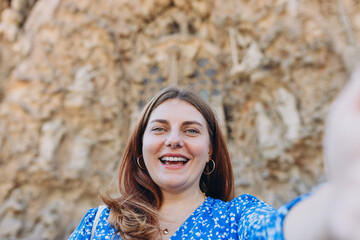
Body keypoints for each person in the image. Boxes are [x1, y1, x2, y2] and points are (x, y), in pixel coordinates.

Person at [69, 65, 360, 240]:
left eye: (191, 130)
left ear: (210, 151)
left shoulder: (237, 219)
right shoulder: (99, 225)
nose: (173, 140)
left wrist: (335, 203)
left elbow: (279, 230)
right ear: (140, 147)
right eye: (159, 129)